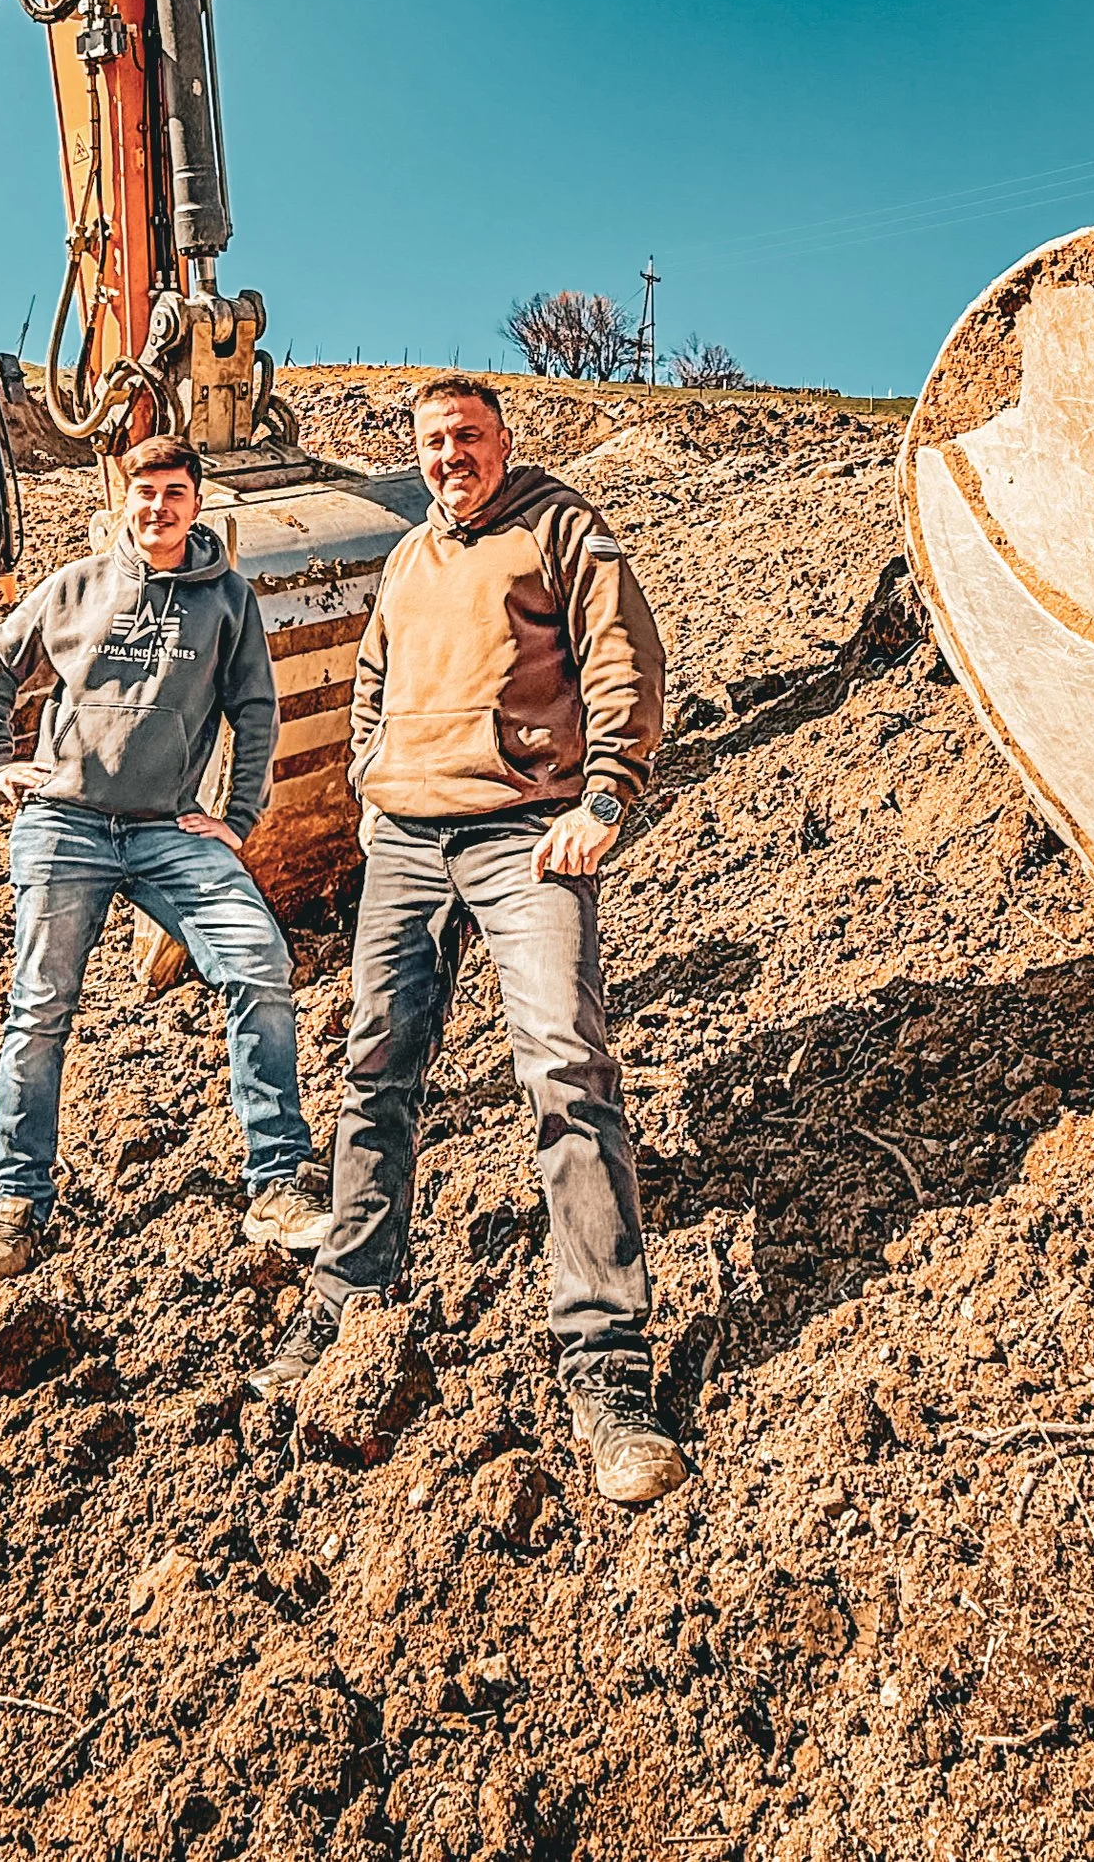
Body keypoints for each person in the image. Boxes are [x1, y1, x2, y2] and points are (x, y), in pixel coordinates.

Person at [248, 375, 687, 1506]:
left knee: (565, 1067)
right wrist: (366, 785)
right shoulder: (407, 557)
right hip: (404, 840)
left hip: (526, 836)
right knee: (375, 1067)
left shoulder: (559, 526)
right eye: (435, 441)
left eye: (469, 437)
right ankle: (348, 1291)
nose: (452, 455)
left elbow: (623, 656)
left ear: (503, 440)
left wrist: (605, 796)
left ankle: (604, 1366)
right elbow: (373, 681)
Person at [0, 431, 330, 1283]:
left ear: (198, 503)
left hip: (169, 828)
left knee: (258, 959)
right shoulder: (77, 586)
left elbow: (257, 711)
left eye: (173, 492)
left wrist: (237, 817)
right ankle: (17, 1208)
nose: (157, 507)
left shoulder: (229, 599)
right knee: (39, 1006)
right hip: (65, 823)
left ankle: (276, 1185)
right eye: (143, 491)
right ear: (125, 499)